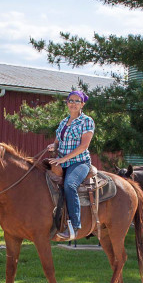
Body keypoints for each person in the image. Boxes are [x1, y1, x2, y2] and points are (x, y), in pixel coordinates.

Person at [47, 91, 95, 240]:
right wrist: (53, 146)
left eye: (77, 101)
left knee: (70, 185)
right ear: (67, 103)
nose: (73, 103)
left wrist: (64, 159)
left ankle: (74, 226)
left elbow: (83, 146)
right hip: (62, 160)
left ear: (82, 104)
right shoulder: (64, 121)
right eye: (71, 100)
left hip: (79, 162)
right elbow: (57, 141)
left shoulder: (87, 121)